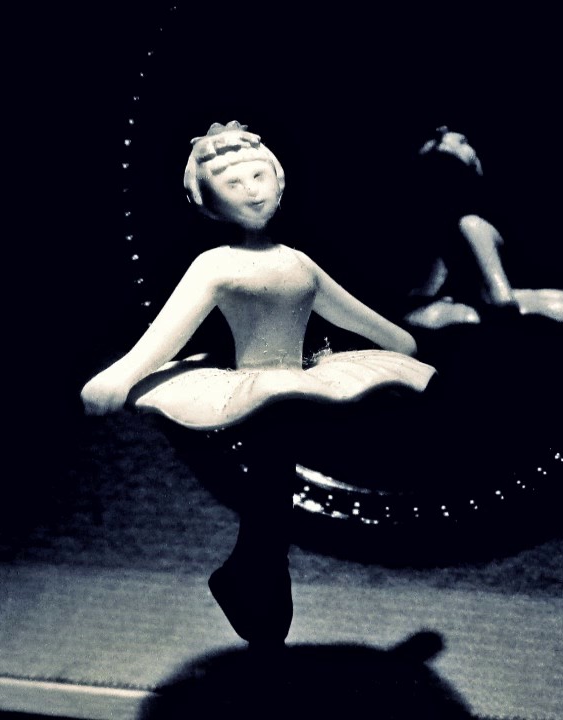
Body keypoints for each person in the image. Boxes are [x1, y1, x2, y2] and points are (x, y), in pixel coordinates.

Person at [81, 121, 433, 647]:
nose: (251, 190)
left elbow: (351, 313)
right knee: (271, 489)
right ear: (208, 200)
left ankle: (253, 576)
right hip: (250, 385)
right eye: (232, 182)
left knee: (276, 492)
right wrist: (122, 374)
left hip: (300, 380)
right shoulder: (215, 264)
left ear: (278, 179)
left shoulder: (298, 262)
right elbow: (170, 331)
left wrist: (397, 340)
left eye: (258, 175)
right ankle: (256, 581)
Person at [402, 127, 563, 330]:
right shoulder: (471, 225)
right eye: (462, 143)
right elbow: (502, 302)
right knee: (562, 304)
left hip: (433, 321)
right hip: (472, 326)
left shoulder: (444, 230)